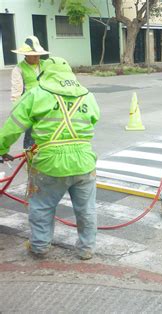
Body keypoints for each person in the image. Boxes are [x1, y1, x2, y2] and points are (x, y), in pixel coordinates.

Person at [0, 57, 100, 259]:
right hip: (84, 162)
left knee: (42, 206)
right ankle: (86, 248)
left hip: (49, 163)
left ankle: (40, 246)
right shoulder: (87, 96)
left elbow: (13, 126)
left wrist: (2, 148)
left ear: (44, 73)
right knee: (86, 209)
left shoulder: (37, 94)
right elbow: (94, 119)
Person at [11, 35, 49, 149]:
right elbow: (16, 91)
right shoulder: (18, 69)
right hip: (30, 104)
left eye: (38, 55)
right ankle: (28, 157)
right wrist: (17, 109)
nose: (36, 57)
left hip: (48, 102)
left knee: (47, 130)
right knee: (31, 133)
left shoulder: (45, 65)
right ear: (26, 55)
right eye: (33, 55)